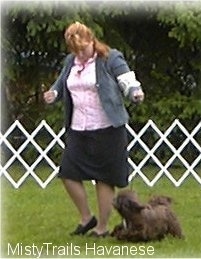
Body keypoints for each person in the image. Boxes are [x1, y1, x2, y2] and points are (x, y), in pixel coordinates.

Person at [43, 21, 144, 237]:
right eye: (75, 50)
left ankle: (102, 227)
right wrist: (53, 94)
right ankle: (87, 217)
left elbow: (126, 79)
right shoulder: (71, 61)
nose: (80, 54)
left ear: (91, 39)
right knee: (68, 173)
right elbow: (61, 84)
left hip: (107, 127)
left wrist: (134, 91)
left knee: (104, 177)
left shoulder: (110, 57)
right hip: (78, 127)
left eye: (83, 48)